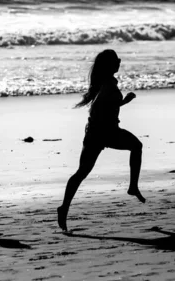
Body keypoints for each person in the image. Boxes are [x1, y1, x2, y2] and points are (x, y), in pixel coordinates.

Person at [58, 49, 145, 232]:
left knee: (82, 172)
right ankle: (132, 187)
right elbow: (98, 106)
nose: (119, 62)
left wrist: (122, 103)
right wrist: (121, 105)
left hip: (97, 132)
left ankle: (64, 207)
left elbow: (103, 104)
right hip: (104, 132)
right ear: (109, 64)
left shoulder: (105, 82)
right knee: (136, 146)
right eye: (116, 60)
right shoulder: (107, 83)